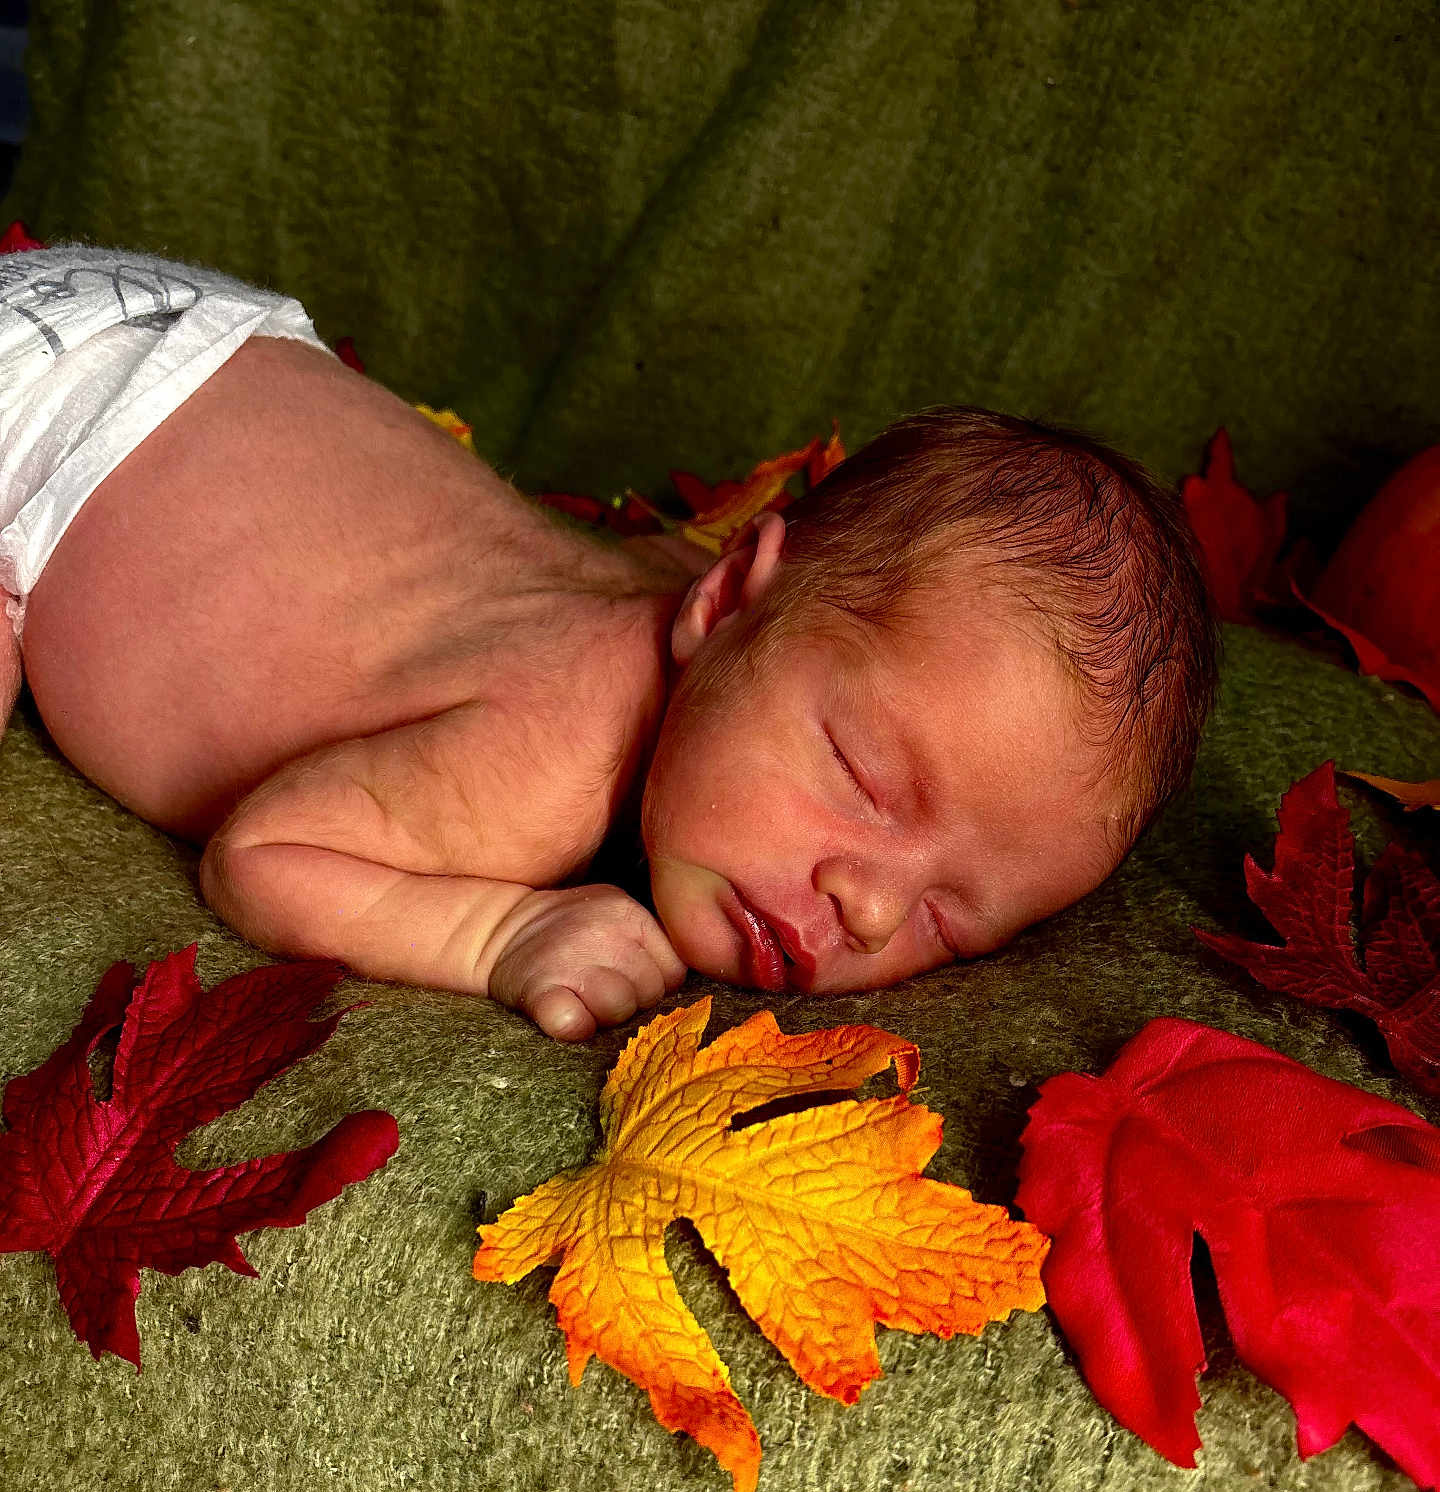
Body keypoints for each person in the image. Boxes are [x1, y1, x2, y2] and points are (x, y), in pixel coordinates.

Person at [0, 246, 1219, 1040]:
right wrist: (502, 932)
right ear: (727, 594)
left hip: (205, 348)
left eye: (955, 917)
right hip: (53, 412)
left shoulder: (710, 622)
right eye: (859, 773)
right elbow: (264, 855)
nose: (865, 906)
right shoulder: (544, 764)